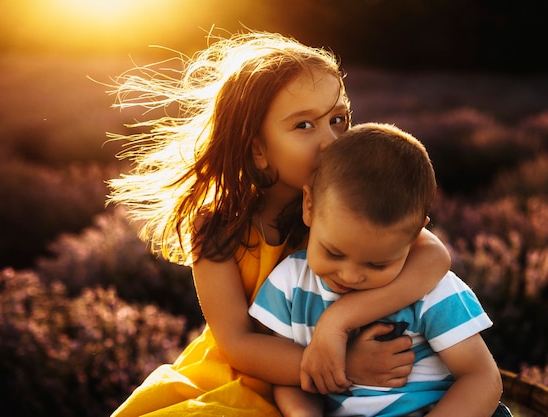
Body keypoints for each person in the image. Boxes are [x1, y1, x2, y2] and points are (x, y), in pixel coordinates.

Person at [107, 31, 451, 417]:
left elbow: (434, 258)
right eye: (304, 126)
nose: (331, 141)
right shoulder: (215, 225)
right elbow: (237, 342)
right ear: (257, 147)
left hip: (334, 379)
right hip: (248, 376)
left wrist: (337, 323)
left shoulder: (341, 210)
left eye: (338, 119)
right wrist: (342, 366)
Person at [249, 123, 509, 417]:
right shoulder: (289, 285)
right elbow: (293, 379)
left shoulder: (431, 291)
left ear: (415, 236)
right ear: (309, 205)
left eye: (377, 264)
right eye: (333, 252)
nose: (349, 276)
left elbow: (481, 378)